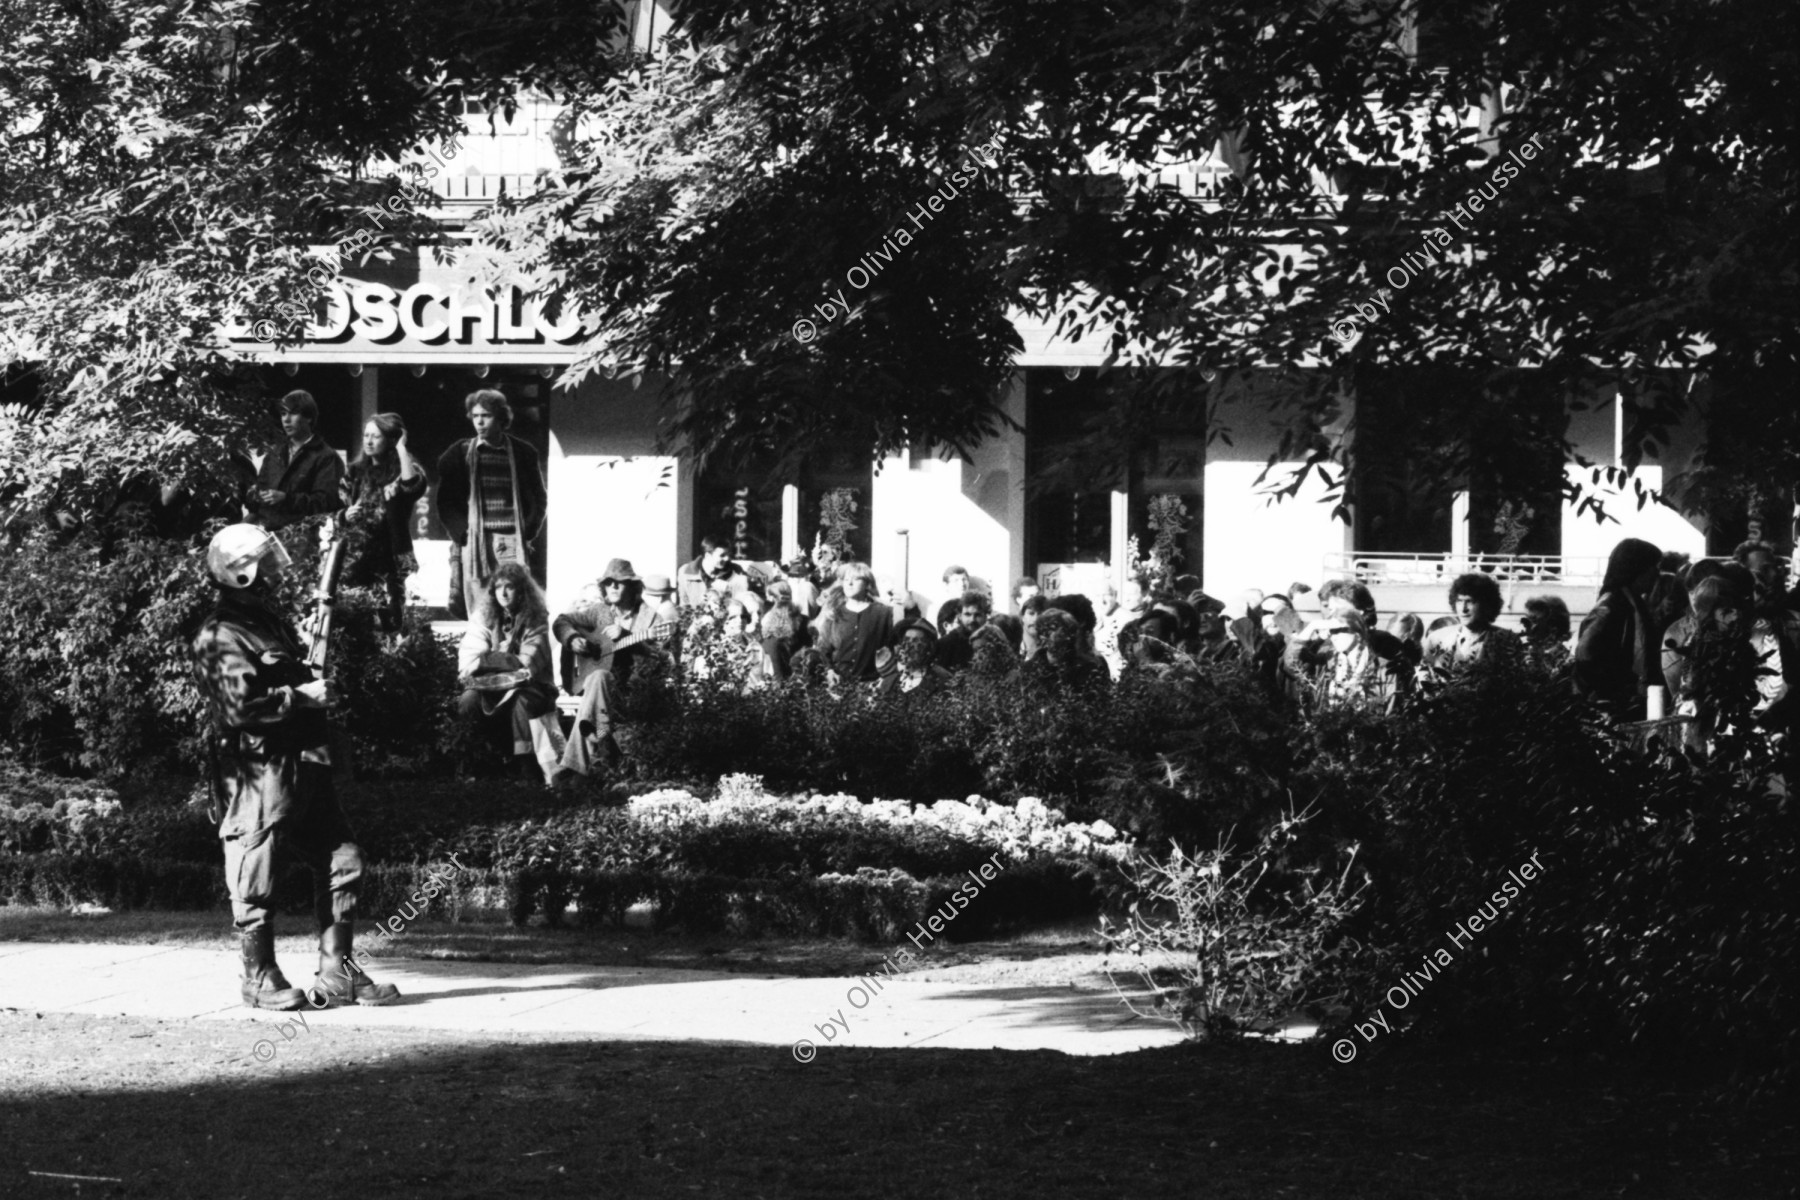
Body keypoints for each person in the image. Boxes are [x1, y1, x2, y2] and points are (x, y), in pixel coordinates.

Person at [192, 523, 399, 1011]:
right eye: (263, 564)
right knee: (255, 870)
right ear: (241, 573)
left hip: (303, 761)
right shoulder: (221, 631)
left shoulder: (267, 621)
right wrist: (299, 696)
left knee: (343, 859)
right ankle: (259, 976)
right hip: (257, 767)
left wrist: (309, 676)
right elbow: (237, 708)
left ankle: (338, 973)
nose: (275, 573)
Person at [435, 390, 547, 622]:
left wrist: (528, 529)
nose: (480, 422)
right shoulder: (461, 452)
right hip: (476, 540)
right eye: (475, 416)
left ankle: (511, 655)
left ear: (501, 418)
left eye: (486, 416)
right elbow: (445, 500)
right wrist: (462, 533)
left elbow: (539, 496)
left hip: (511, 539)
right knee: (481, 609)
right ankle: (485, 655)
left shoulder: (522, 453)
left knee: (515, 605)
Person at [555, 559, 675, 775]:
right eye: (609, 583)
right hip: (598, 686)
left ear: (633, 587)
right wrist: (572, 639)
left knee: (599, 679)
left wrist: (630, 638)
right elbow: (561, 621)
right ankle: (603, 747)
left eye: (619, 583)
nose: (613, 587)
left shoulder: (652, 619)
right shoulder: (599, 612)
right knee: (599, 677)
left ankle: (587, 754)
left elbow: (664, 659)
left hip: (632, 690)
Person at [458, 561, 560, 782]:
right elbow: (468, 664)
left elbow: (526, 665)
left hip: (533, 688)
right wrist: (500, 660)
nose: (503, 593)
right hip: (492, 687)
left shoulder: (536, 618)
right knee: (468, 700)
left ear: (522, 590)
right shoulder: (484, 616)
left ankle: (527, 768)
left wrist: (488, 659)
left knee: (522, 701)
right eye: (498, 587)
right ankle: (478, 763)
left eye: (510, 587)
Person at [339, 412, 426, 630]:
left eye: (375, 436)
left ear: (389, 439)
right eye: (366, 435)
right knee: (355, 612)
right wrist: (345, 515)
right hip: (357, 553)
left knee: (390, 615)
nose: (368, 441)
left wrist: (401, 448)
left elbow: (412, 485)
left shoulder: (403, 470)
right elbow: (335, 507)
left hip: (390, 553)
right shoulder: (355, 472)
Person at [1574, 537, 1664, 718]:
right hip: (1614, 708)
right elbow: (1586, 656)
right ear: (1636, 569)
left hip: (1626, 703)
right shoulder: (1611, 607)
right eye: (1653, 566)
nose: (1657, 573)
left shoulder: (1629, 603)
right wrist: (1613, 692)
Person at [247, 390, 345, 530]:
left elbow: (326, 503)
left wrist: (287, 499)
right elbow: (258, 499)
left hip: (304, 537)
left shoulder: (326, 457)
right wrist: (255, 496)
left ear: (309, 417)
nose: (286, 420)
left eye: (292, 413)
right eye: (283, 414)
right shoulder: (274, 453)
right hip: (269, 534)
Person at [1421, 573, 1522, 679]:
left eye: (1470, 601)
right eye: (1459, 601)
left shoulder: (1507, 640)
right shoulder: (1436, 639)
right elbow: (1424, 676)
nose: (1463, 609)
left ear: (1486, 604)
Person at [815, 561, 894, 683]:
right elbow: (823, 649)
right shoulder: (834, 613)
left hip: (872, 684)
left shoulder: (883, 613)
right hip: (840, 684)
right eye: (846, 580)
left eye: (856, 579)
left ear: (867, 584)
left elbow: (894, 646)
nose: (849, 584)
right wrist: (829, 671)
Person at [1023, 608, 1111, 693]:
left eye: (1053, 630)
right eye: (1045, 631)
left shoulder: (1089, 669)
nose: (1045, 636)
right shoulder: (1028, 671)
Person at [877, 618, 951, 699]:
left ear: (929, 647)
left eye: (916, 641)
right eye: (906, 640)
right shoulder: (888, 683)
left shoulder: (942, 680)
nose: (909, 647)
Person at [759, 578, 814, 681]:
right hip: (799, 676)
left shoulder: (768, 620)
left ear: (773, 599)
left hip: (781, 675)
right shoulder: (804, 620)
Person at [678, 535, 751, 606]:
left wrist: (727, 594)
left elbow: (743, 604)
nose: (727, 558)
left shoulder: (737, 571)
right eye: (722, 555)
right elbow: (684, 605)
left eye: (728, 555)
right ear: (707, 556)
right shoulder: (686, 572)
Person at [937, 589, 991, 672]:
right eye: (967, 614)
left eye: (978, 615)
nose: (972, 619)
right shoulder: (946, 644)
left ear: (986, 616)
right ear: (959, 616)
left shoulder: (992, 641)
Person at [1520, 596, 1573, 673]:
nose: (1525, 628)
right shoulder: (1523, 654)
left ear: (1553, 628)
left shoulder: (1567, 663)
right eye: (1525, 622)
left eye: (1534, 621)